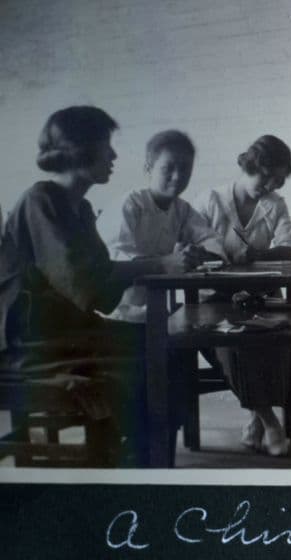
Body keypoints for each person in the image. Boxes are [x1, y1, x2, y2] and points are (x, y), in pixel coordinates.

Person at [0, 106, 195, 465]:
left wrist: (133, 270)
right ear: (80, 149)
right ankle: (140, 462)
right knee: (155, 356)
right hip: (29, 340)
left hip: (69, 330)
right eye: (107, 145)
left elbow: (101, 297)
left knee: (171, 348)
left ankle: (145, 459)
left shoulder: (82, 208)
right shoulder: (40, 200)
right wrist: (159, 264)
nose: (114, 156)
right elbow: (86, 286)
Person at [194, 134, 291, 456]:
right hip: (215, 299)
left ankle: (255, 421)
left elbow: (289, 250)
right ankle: (270, 422)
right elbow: (189, 251)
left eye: (277, 180)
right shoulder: (210, 200)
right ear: (249, 166)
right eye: (265, 176)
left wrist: (256, 255)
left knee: (279, 337)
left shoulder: (275, 205)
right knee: (233, 343)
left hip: (258, 296)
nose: (269, 186)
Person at [99, 129, 226, 322]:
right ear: (148, 169)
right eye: (168, 168)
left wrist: (201, 254)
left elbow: (211, 240)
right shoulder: (130, 205)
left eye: (185, 169)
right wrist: (167, 262)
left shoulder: (182, 209)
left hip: (156, 306)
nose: (177, 176)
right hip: (119, 312)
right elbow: (116, 261)